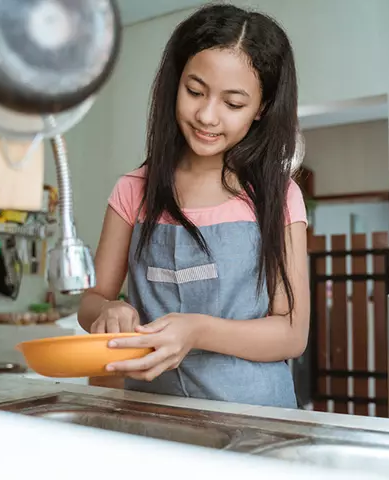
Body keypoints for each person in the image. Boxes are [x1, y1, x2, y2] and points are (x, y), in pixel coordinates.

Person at [77, 3, 310, 409]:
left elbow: (291, 332)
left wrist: (196, 331)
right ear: (175, 83)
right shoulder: (134, 190)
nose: (206, 115)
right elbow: (91, 299)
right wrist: (110, 309)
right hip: (154, 418)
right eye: (195, 91)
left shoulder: (278, 196)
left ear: (263, 108)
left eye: (233, 103)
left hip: (257, 422)